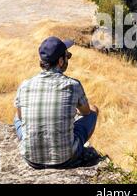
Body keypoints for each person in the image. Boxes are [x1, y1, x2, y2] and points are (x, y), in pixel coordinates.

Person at [14, 37, 99, 169]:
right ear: (60, 61)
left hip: (31, 159)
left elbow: (20, 117)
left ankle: (33, 145)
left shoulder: (25, 85)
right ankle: (72, 148)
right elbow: (86, 112)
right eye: (67, 56)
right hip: (65, 159)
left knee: (17, 117)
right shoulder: (73, 85)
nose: (68, 58)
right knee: (93, 112)